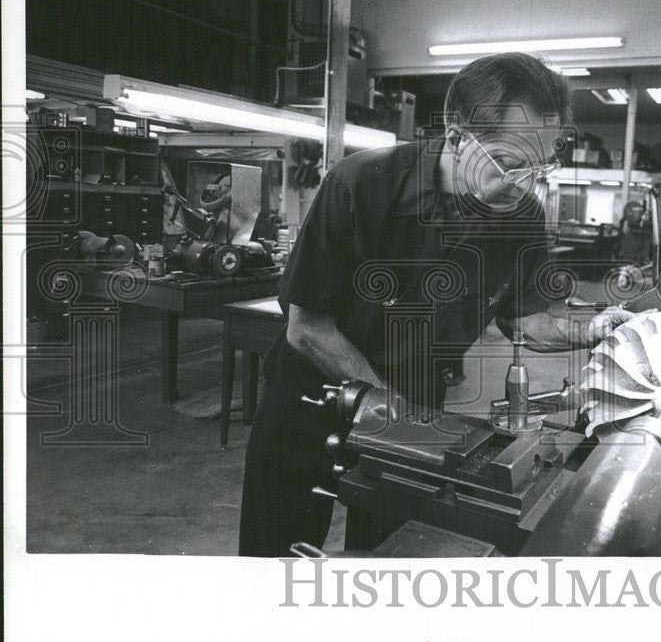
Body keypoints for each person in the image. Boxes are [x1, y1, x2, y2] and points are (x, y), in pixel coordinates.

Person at [239, 52, 634, 557]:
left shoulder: (521, 218)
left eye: (541, 167)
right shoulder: (360, 185)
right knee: (272, 564)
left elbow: (527, 319)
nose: (525, 184)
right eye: (509, 165)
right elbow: (308, 329)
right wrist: (386, 409)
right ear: (456, 135)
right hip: (310, 403)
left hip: (418, 412)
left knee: (392, 562)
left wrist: (590, 329)